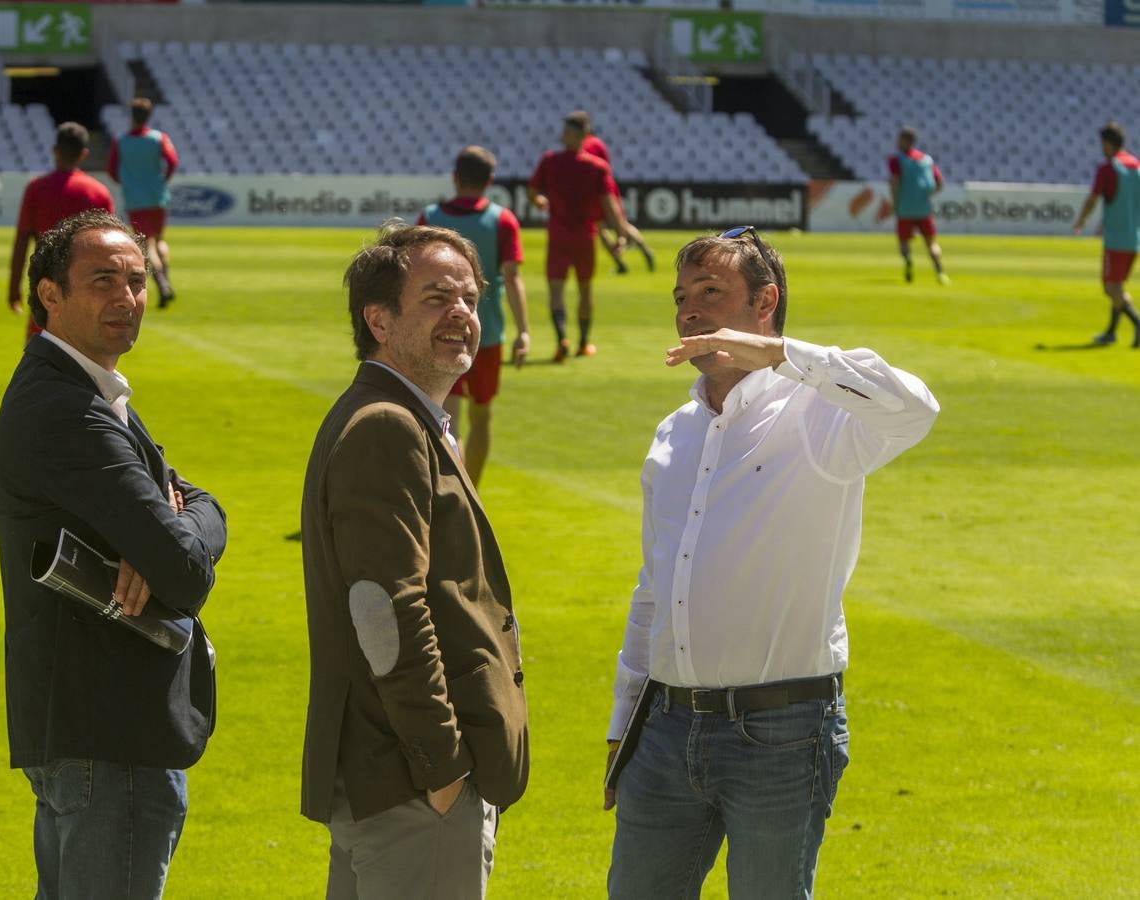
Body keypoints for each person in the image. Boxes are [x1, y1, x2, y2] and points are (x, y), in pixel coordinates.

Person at [604, 227, 938, 899]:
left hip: (781, 733)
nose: (689, 311)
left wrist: (782, 354)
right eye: (681, 296)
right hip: (665, 729)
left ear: (765, 303)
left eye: (710, 293)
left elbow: (915, 408)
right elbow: (655, 589)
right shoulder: (675, 432)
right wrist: (624, 726)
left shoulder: (821, 418)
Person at [0, 210, 227, 899]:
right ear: (49, 294)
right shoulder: (71, 409)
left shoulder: (87, 391)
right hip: (109, 729)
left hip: (90, 725)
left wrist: (180, 522)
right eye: (103, 281)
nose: (127, 298)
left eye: (136, 279)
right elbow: (184, 573)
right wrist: (173, 531)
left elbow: (199, 505)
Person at [300, 223, 529, 899]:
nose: (462, 313)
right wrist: (442, 769)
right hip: (411, 784)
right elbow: (384, 610)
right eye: (435, 297)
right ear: (379, 319)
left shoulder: (403, 414)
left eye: (469, 296)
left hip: (394, 779)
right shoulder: (387, 424)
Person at [417, 145, 530, 486]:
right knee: (481, 417)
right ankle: (472, 494)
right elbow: (512, 277)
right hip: (488, 332)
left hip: (439, 331)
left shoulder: (431, 217)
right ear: (490, 181)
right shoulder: (502, 220)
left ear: (455, 177)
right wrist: (524, 330)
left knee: (447, 419)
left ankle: (454, 493)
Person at [529, 110, 644, 361]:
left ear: (571, 134)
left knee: (556, 292)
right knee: (584, 291)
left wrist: (540, 202)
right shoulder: (597, 167)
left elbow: (532, 192)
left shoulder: (549, 160)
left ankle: (561, 341)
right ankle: (583, 343)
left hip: (558, 236)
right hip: (585, 237)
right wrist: (621, 235)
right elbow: (609, 205)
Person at [7, 122, 115, 340]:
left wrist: (13, 288)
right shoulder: (98, 193)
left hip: (48, 290)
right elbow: (111, 252)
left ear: (55, 150)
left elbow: (21, 241)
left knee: (39, 360)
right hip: (88, 292)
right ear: (84, 154)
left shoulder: (36, 189)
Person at [1071, 121, 1140, 347]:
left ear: (1109, 144)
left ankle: (1138, 323)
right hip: (1134, 236)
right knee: (1118, 284)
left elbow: (1093, 199)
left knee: (1111, 288)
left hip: (1116, 238)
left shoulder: (1108, 169)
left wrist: (1081, 220)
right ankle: (1111, 332)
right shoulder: (1136, 166)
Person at [108, 97, 180, 307]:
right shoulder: (158, 138)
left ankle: (163, 285)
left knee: (147, 243)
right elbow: (173, 161)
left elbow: (112, 169)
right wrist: (162, 180)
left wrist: (127, 181)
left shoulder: (121, 141)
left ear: (132, 115)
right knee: (159, 240)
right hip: (158, 195)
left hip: (136, 198)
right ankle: (166, 280)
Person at [578, 116, 654, 276]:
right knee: (620, 223)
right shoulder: (599, 144)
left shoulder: (585, 145)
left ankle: (620, 263)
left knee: (600, 228)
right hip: (608, 187)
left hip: (596, 191)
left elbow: (584, 167)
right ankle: (643, 249)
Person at [888, 126, 949, 285]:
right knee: (931, 243)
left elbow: (894, 183)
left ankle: (908, 260)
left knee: (903, 242)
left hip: (905, 208)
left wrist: (895, 203)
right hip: (924, 208)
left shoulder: (897, 160)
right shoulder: (926, 160)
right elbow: (940, 183)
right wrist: (927, 196)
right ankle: (940, 272)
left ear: (904, 140)